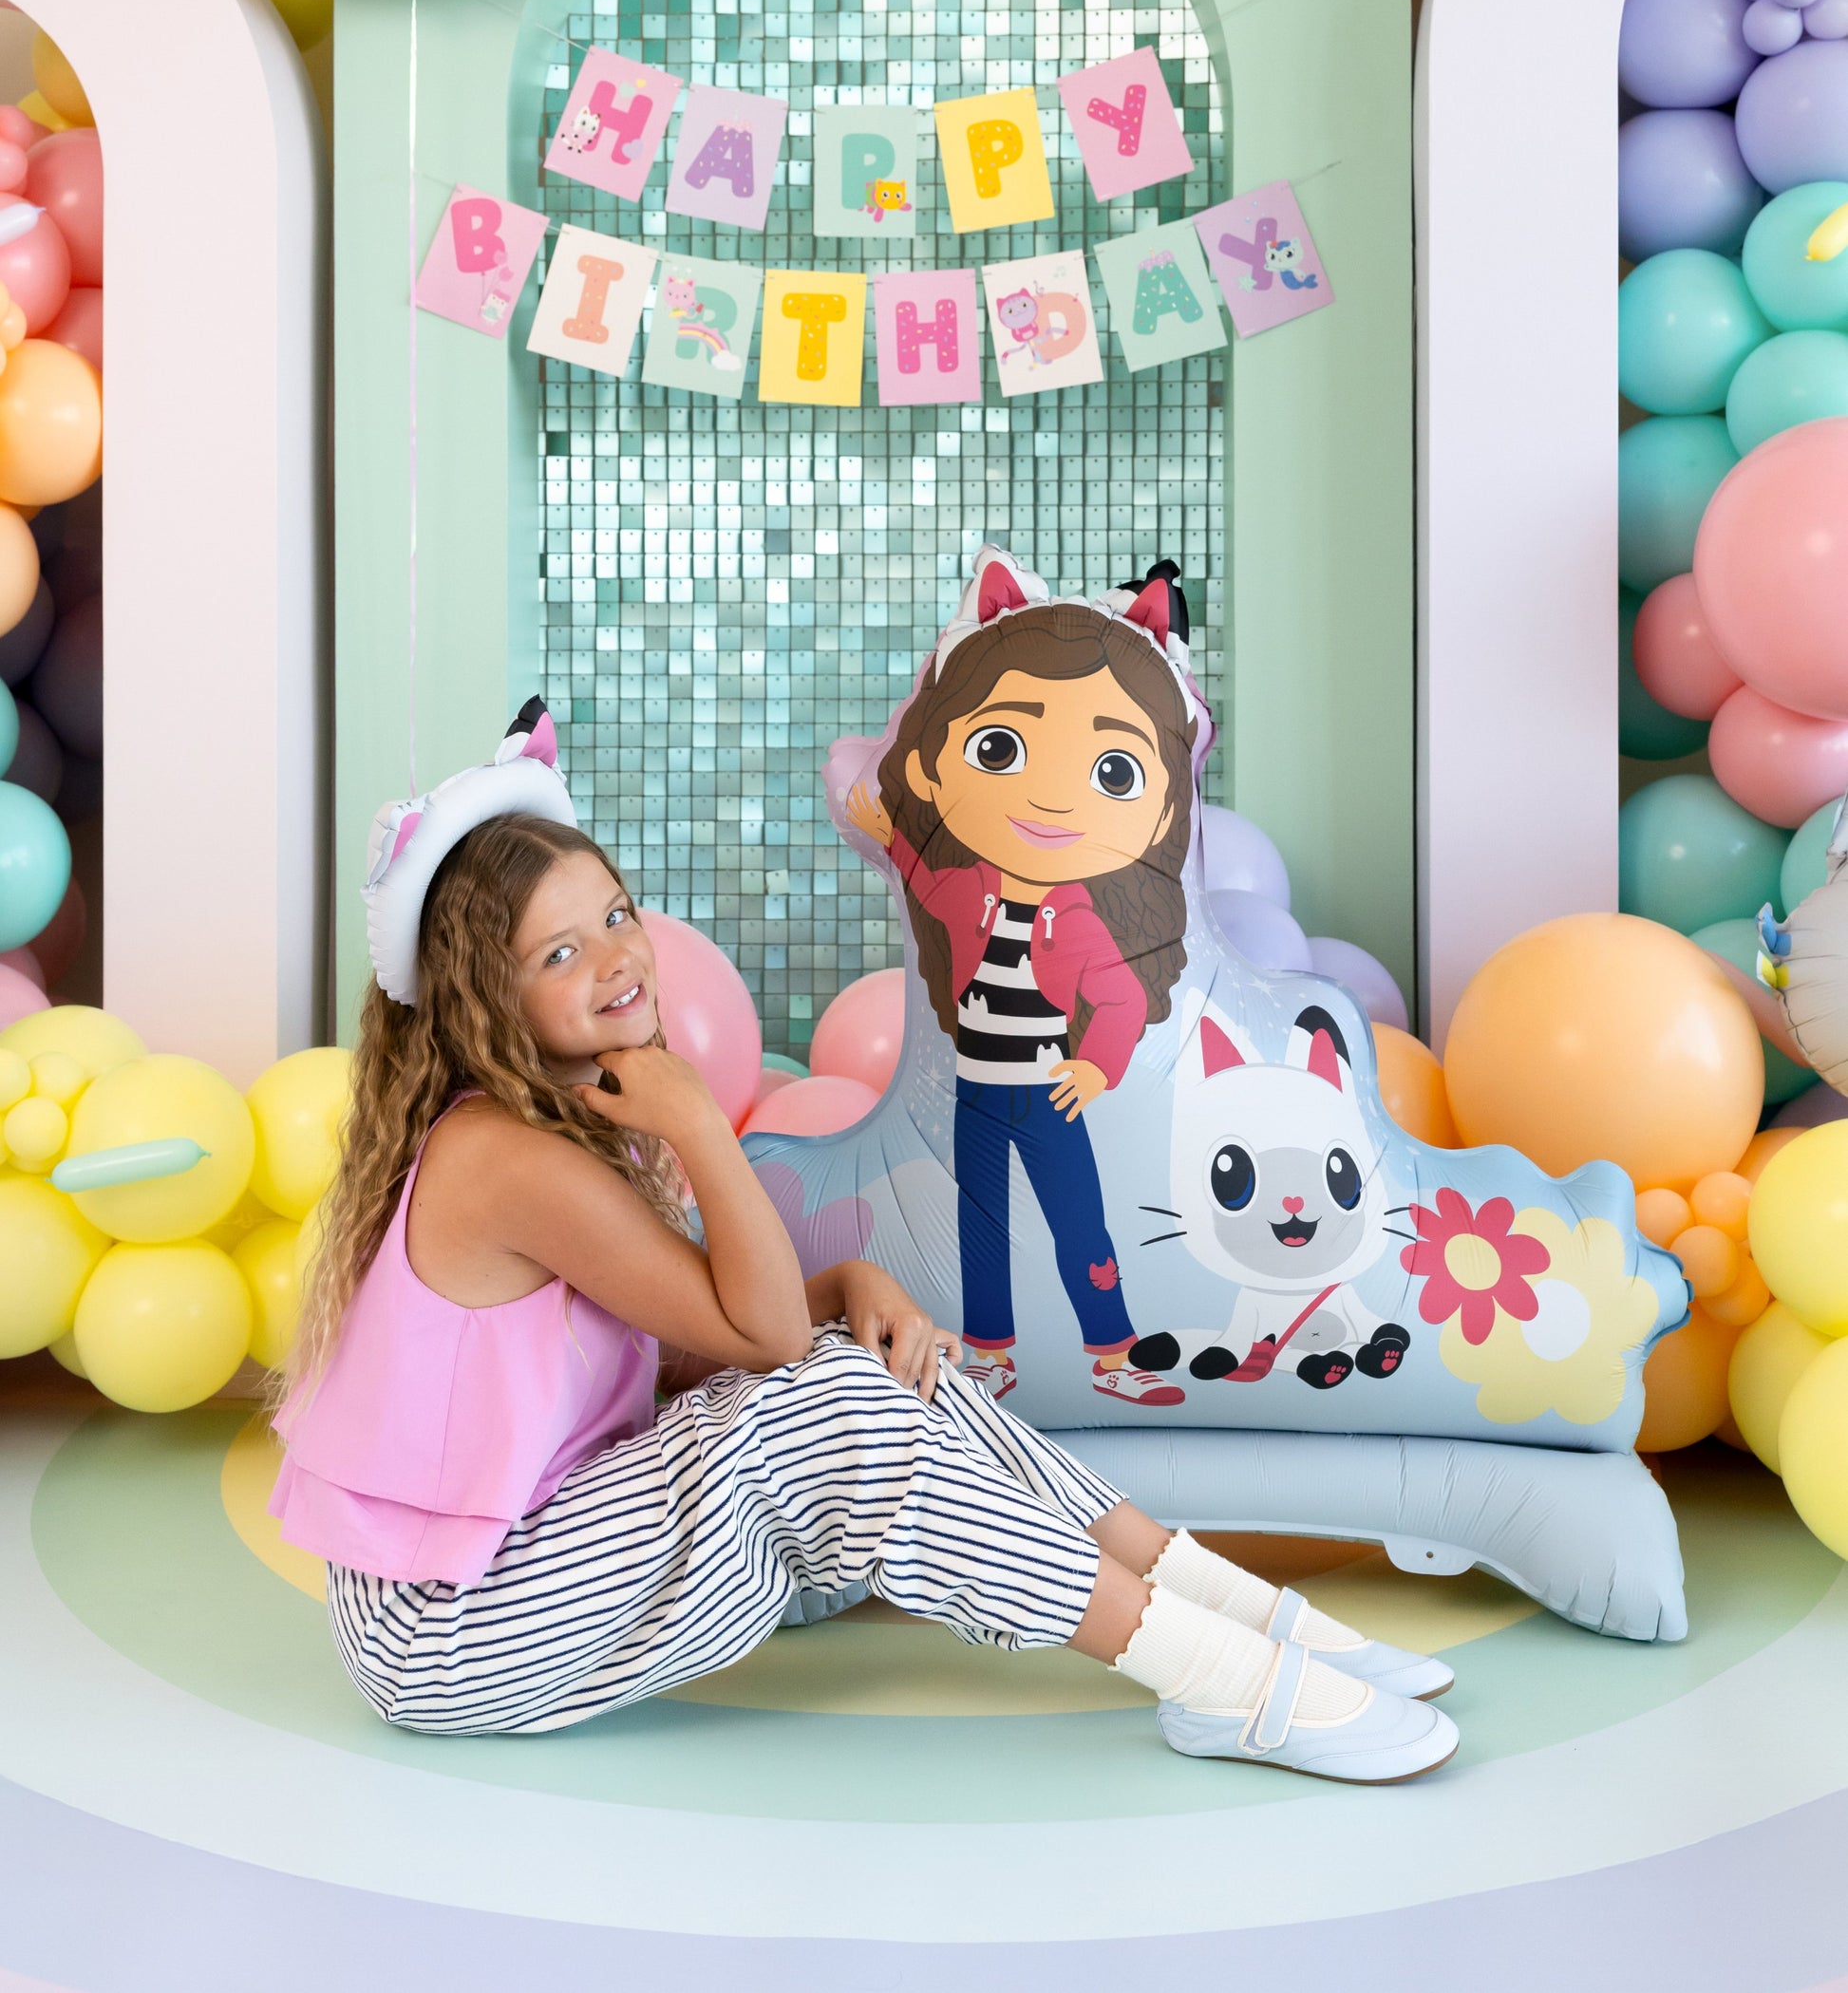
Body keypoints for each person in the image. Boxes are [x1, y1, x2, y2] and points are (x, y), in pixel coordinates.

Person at [271, 701, 1457, 1779]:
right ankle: (1223, 1680)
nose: (617, 959)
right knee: (829, 1396)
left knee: (874, 1366)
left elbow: (708, 1335)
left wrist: (840, 1280)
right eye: (558, 953)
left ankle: (1225, 1610)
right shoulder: (507, 1156)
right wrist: (696, 1123)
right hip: (449, 1626)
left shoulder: (572, 1118)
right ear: (486, 999)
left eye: (615, 915)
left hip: (540, 1555)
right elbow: (762, 1339)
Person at [845, 550, 1197, 1408]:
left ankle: (1113, 1348)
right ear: (938, 764)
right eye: (1002, 748)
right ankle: (991, 1350)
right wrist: (890, 831)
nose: (1051, 799)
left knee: (1079, 1214)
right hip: (977, 1088)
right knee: (983, 1225)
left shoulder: (1078, 918)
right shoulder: (971, 887)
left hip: (1045, 1085)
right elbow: (927, 878)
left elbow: (1116, 996)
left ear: (1156, 808)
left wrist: (1094, 1066)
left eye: (1110, 772)